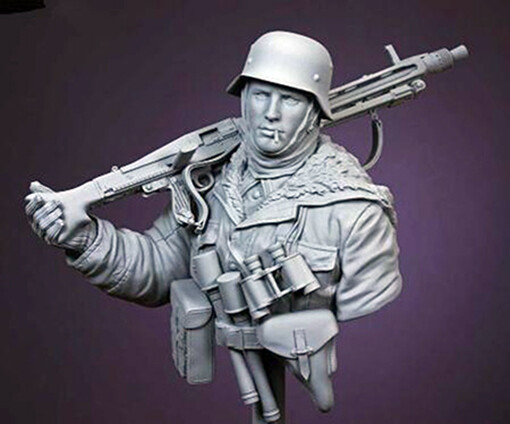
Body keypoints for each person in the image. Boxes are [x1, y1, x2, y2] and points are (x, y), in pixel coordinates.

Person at [25, 31, 402, 418]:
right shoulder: (211, 183)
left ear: (313, 111)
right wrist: (87, 239)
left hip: (308, 363)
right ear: (243, 98)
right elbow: (156, 267)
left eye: (289, 99)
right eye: (261, 94)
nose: (271, 112)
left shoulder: (355, 208)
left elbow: (371, 304)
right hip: (239, 370)